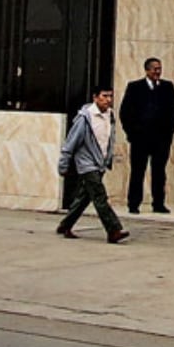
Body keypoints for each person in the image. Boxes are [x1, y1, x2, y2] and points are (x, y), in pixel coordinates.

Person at [55, 85, 128, 243]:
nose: (108, 100)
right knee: (100, 196)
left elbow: (108, 140)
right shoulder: (85, 118)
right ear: (95, 98)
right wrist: (63, 164)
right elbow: (71, 143)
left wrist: (108, 159)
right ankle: (113, 229)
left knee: (84, 196)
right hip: (87, 164)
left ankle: (65, 224)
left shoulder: (110, 116)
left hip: (100, 163)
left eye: (110, 96)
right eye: (104, 96)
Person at [119, 56, 174, 215]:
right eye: (155, 69)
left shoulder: (167, 87)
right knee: (138, 171)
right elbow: (125, 112)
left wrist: (169, 133)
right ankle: (134, 204)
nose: (157, 72)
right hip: (140, 139)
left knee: (159, 171)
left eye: (159, 69)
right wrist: (132, 133)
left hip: (161, 139)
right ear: (147, 70)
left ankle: (158, 203)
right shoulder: (134, 87)